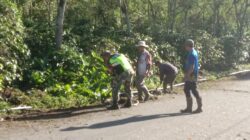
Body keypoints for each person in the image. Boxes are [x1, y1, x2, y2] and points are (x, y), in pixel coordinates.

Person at [181, 39, 203, 113]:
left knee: (194, 91)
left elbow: (192, 67)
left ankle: (199, 108)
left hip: (192, 76)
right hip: (190, 75)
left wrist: (186, 76)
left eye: (185, 45)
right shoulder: (192, 52)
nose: (185, 47)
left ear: (188, 46)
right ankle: (189, 108)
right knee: (186, 89)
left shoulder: (192, 54)